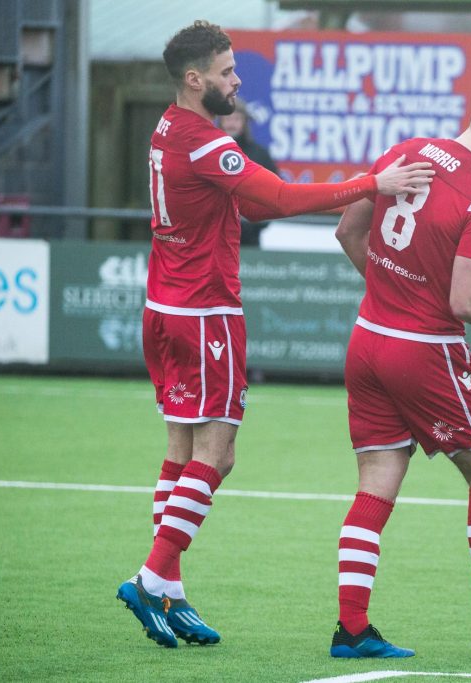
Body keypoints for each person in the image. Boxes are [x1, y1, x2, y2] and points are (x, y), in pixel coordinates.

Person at [115, 20, 433, 649]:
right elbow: (282, 199)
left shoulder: (165, 129)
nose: (237, 82)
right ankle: (151, 579)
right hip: (205, 312)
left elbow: (254, 202)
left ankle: (171, 592)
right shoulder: (206, 143)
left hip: (163, 306)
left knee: (181, 449)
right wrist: (375, 183)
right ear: (194, 79)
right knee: (219, 454)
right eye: (228, 72)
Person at [329, 85, 471, 658]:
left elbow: (346, 232)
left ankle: (351, 630)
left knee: (375, 483)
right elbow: (466, 303)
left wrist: (390, 291)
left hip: (368, 339)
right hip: (425, 350)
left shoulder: (403, 152)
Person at [216, 99, 280, 247]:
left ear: (245, 122)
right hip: (215, 235)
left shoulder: (260, 155)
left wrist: (255, 224)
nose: (231, 123)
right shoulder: (208, 152)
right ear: (220, 121)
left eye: (236, 119)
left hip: (249, 239)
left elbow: (275, 194)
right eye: (227, 118)